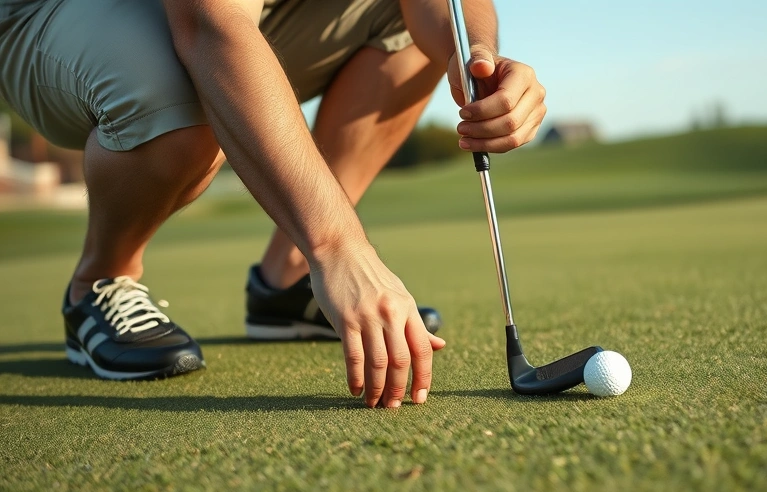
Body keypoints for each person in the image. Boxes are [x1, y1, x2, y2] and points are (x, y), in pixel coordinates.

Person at [0, 0, 547, 407]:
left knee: (411, 30)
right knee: (184, 94)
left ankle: (286, 280)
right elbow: (210, 28)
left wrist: (473, 54)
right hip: (56, 14)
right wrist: (338, 246)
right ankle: (101, 282)